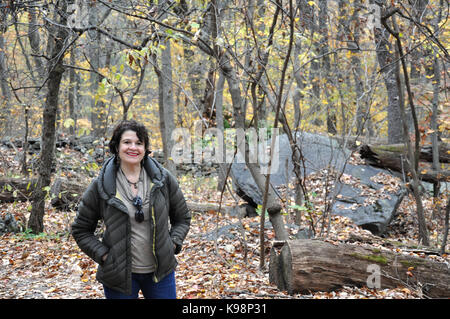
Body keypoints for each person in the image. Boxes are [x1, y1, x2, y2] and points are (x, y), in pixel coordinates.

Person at [71, 120, 191, 299]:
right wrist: (104, 256)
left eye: (139, 143)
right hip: (118, 275)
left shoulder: (163, 180)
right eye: (127, 142)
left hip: (161, 273)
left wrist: (172, 243)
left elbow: (182, 218)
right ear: (117, 146)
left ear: (145, 148)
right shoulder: (101, 185)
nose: (133, 147)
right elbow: (80, 230)